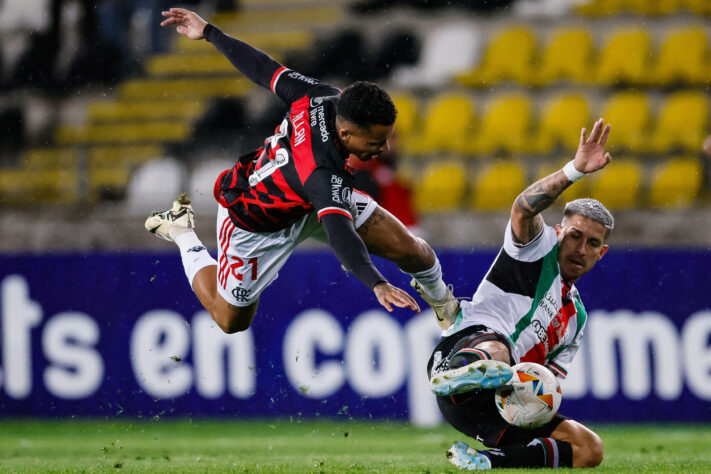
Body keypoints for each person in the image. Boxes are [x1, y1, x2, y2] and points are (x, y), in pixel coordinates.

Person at [145, 7, 459, 334]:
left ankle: (449, 313)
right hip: (256, 223)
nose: (385, 148)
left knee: (408, 248)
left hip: (311, 197)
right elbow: (341, 234)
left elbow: (264, 69)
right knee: (229, 321)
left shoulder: (322, 97)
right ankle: (183, 233)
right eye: (377, 140)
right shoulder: (323, 170)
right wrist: (376, 283)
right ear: (347, 134)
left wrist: (210, 32)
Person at [428, 118, 613, 470]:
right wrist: (574, 170)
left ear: (601, 253)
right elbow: (523, 208)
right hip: (460, 357)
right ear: (559, 232)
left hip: (494, 407)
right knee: (498, 350)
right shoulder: (536, 250)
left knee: (590, 449)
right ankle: (463, 374)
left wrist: (531, 401)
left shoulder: (577, 319)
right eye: (575, 235)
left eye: (592, 243)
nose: (581, 248)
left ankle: (484, 461)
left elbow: (550, 380)